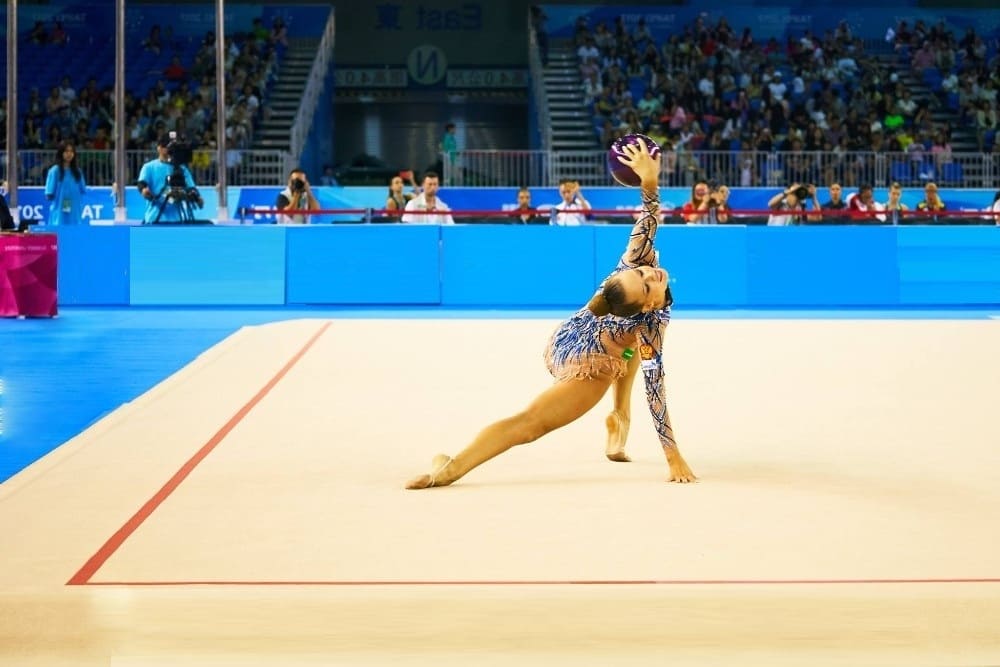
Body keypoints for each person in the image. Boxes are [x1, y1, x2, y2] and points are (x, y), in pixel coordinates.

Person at [406, 137, 695, 490]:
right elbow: (655, 389)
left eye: (645, 275)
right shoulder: (649, 322)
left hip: (578, 328)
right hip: (587, 360)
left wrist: (649, 183)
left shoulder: (635, 263)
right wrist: (672, 456)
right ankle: (451, 469)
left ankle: (620, 416)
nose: (652, 274)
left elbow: (649, 219)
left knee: (631, 343)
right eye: (645, 282)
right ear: (647, 304)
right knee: (531, 423)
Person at [136, 134, 203, 224]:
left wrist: (197, 198)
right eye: (166, 146)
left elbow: (191, 188)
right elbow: (141, 183)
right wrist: (144, 191)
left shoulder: (182, 169)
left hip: (177, 219)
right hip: (155, 218)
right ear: (159, 148)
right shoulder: (149, 167)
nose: (169, 149)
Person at [44, 141, 87, 226]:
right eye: (66, 151)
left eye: (71, 151)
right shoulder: (54, 171)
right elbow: (49, 194)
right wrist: (63, 199)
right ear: (61, 153)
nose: (69, 154)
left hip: (75, 211)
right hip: (59, 210)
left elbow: (82, 190)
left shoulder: (78, 172)